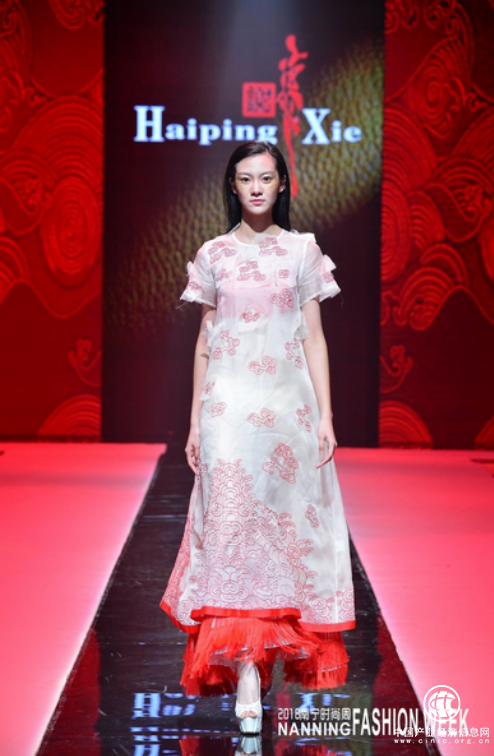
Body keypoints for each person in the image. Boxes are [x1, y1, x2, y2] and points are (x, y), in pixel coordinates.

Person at [160, 141, 355, 735]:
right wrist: (195, 421)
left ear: (282, 184)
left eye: (266, 178)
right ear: (232, 185)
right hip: (228, 409)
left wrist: (325, 415)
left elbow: (314, 337)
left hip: (287, 410)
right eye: (245, 179)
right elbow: (205, 342)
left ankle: (268, 657)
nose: (256, 188)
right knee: (230, 530)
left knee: (282, 533)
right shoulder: (213, 254)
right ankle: (246, 668)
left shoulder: (302, 251)